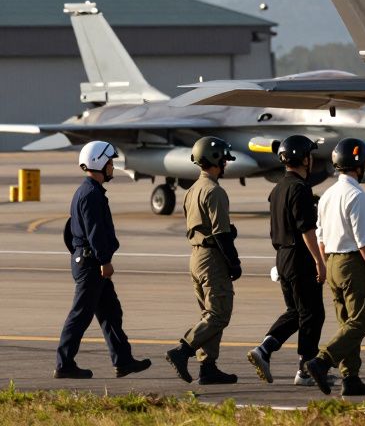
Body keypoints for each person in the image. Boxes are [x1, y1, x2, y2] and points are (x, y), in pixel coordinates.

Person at [54, 141, 151, 379]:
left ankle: (124, 361)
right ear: (99, 163)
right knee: (81, 315)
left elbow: (71, 231)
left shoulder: (87, 191)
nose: (112, 167)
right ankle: (64, 364)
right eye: (110, 162)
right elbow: (94, 231)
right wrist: (103, 260)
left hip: (88, 261)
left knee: (110, 312)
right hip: (92, 265)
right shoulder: (91, 195)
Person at [301, 138, 365, 396]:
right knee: (361, 321)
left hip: (333, 262)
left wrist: (325, 264)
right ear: (358, 165)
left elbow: (321, 235)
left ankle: (351, 378)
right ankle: (322, 361)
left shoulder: (327, 194)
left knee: (346, 323)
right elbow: (364, 239)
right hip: (352, 262)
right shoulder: (357, 195)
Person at [246, 135, 330, 387]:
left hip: (282, 256)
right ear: (305, 159)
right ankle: (305, 370)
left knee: (296, 312)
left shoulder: (278, 189)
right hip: (300, 258)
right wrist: (319, 261)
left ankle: (265, 349)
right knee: (313, 313)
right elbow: (307, 229)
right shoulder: (299, 188)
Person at [165, 136, 242, 385]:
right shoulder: (215, 191)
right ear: (216, 159)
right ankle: (183, 350)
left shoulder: (192, 190)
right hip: (211, 258)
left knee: (208, 314)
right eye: (224, 158)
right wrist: (234, 262)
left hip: (196, 257)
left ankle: (207, 367)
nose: (226, 163)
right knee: (219, 314)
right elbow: (220, 233)